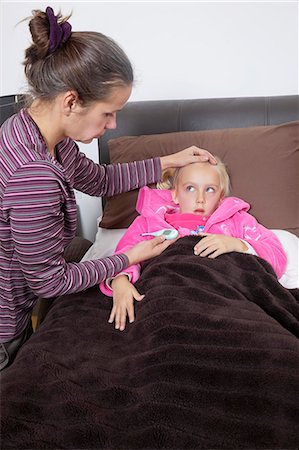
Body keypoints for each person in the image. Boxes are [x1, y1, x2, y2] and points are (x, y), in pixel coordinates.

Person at [0, 6, 217, 370]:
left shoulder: (35, 128)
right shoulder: (33, 174)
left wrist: (168, 161)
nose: (113, 125)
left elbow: (99, 180)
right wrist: (130, 257)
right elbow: (49, 282)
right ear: (71, 101)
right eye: (108, 113)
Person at [100, 157, 287, 331]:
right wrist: (121, 281)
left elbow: (276, 253)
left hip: (222, 295)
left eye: (210, 190)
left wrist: (237, 244)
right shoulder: (150, 222)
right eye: (190, 188)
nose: (200, 198)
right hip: (166, 293)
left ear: (221, 197)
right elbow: (126, 254)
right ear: (174, 194)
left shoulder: (236, 220)